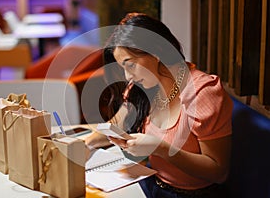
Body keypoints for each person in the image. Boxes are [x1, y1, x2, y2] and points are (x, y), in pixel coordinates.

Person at [85, 12, 233, 198]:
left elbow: (218, 172)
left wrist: (161, 149)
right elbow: (117, 123)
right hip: (151, 184)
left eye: (129, 65)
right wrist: (87, 143)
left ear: (155, 52)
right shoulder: (143, 86)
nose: (127, 77)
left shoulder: (202, 93)